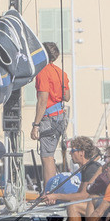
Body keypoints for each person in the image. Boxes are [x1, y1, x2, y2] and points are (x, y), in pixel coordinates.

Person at [30, 42, 71, 183]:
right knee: (50, 155)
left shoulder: (43, 72)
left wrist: (36, 125)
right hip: (60, 117)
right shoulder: (61, 72)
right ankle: (51, 190)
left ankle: (49, 192)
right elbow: (67, 97)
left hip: (49, 118)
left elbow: (42, 100)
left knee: (47, 157)